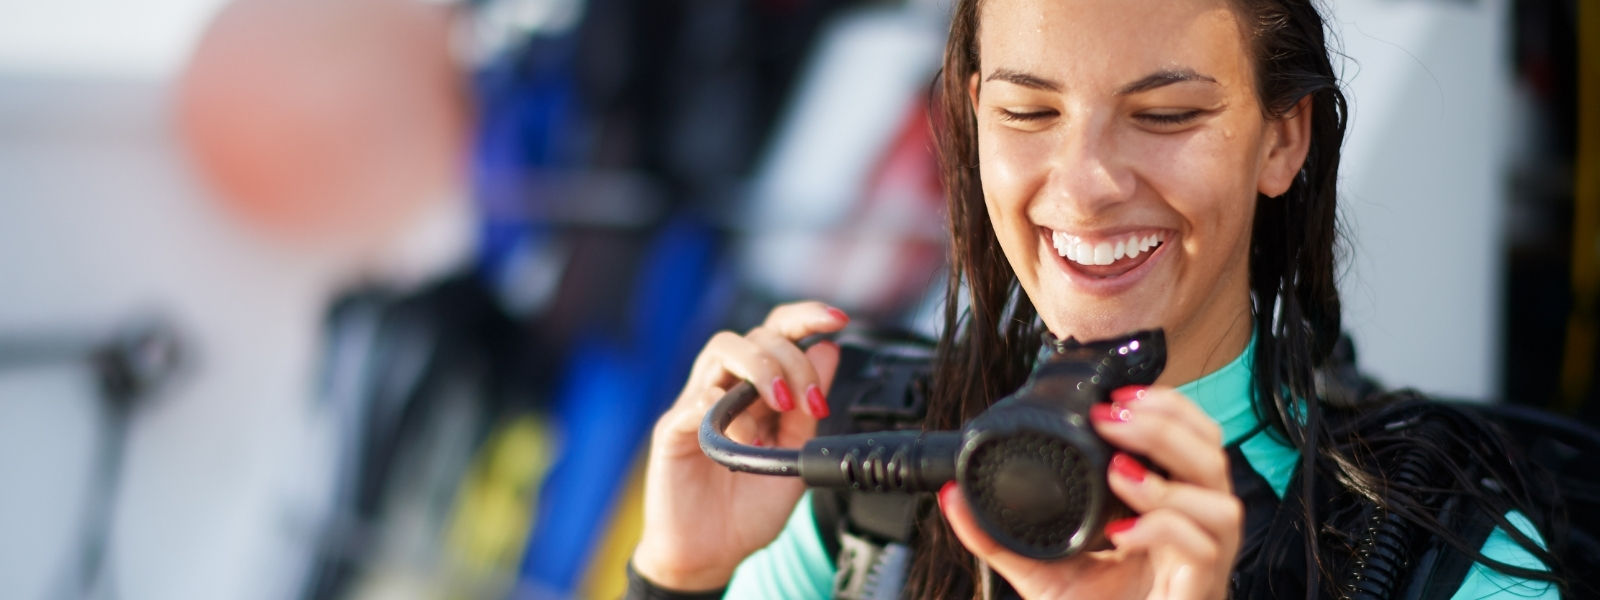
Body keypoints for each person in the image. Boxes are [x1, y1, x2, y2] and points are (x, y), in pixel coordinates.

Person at [626, 0, 1570, 597]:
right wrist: (676, 577)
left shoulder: (1444, 556)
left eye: (1167, 115)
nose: (1082, 187)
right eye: (1028, 112)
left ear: (1284, 139)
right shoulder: (857, 503)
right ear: (967, 119)